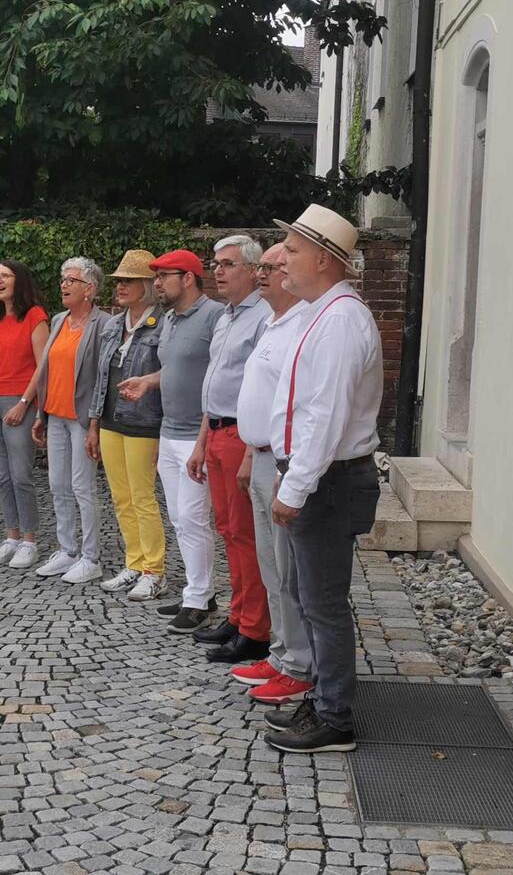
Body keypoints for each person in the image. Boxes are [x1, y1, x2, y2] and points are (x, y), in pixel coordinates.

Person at [264, 205, 383, 754]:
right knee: (314, 597)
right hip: (325, 479)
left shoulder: (337, 321)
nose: (282, 257)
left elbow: (324, 415)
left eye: (291, 249)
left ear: (322, 259)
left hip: (329, 482)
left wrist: (293, 488)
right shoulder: (326, 312)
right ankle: (323, 696)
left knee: (324, 601)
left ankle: (334, 715)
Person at [118, 250, 225, 632]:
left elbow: (218, 379)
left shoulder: (215, 317)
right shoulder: (170, 320)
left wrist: (202, 440)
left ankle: (198, 600)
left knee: (194, 519)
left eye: (164, 276)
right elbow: (175, 369)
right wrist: (147, 381)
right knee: (180, 518)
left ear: (189, 278)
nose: (157, 283)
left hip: (199, 434)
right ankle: (201, 593)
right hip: (169, 430)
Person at [233, 243, 313, 704]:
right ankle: (281, 653)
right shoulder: (272, 323)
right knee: (270, 565)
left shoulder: (302, 325)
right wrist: (250, 449)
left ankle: (299, 663)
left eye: (272, 266)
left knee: (288, 570)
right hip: (261, 454)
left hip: (284, 461)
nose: (263, 274)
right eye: (261, 266)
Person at [186, 235, 272, 663]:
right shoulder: (226, 317)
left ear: (254, 270)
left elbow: (263, 391)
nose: (218, 271)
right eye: (216, 263)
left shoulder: (264, 318)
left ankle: (256, 629)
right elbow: (213, 386)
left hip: (243, 435)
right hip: (217, 431)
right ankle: (239, 617)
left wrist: (253, 452)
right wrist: (202, 442)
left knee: (246, 535)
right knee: (228, 531)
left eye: (228, 264)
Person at [85, 250, 166, 601]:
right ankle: (134, 562)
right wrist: (93, 424)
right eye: (118, 281)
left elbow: (167, 378)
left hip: (144, 421)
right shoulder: (114, 324)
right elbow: (100, 377)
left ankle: (155, 570)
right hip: (110, 420)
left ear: (146, 285)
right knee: (121, 497)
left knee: (142, 496)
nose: (120, 286)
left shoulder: (163, 323)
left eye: (128, 281)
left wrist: (166, 430)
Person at [31, 257, 109, 584]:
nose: (64, 284)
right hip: (55, 414)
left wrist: (96, 424)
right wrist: (40, 414)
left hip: (81, 418)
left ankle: (91, 557)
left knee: (82, 486)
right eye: (63, 279)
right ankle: (67, 549)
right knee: (57, 485)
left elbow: (104, 376)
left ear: (89, 289)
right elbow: (46, 370)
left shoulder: (104, 324)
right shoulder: (60, 319)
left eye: (72, 280)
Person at [0, 260, 49, 569]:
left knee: (20, 475)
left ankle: (30, 541)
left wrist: (24, 402)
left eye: (5, 275)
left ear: (20, 281)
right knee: (0, 474)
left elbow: (42, 365)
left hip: (18, 402)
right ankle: (11, 536)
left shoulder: (35, 316)